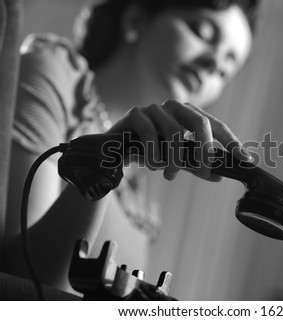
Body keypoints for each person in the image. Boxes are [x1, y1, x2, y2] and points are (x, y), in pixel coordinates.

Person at [1, 0, 259, 292]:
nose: (214, 64)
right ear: (136, 20)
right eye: (202, 33)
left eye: (227, 68)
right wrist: (110, 157)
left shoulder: (139, 191)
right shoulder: (53, 72)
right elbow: (23, 281)